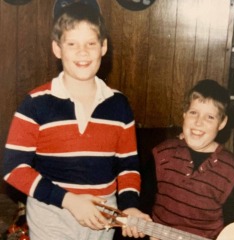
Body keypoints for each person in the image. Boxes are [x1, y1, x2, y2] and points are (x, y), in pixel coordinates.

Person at [2, 2, 150, 240]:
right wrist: (69, 200)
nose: (83, 52)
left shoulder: (119, 105)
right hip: (52, 217)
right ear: (57, 49)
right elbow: (13, 169)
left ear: (103, 47)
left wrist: (130, 205)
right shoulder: (35, 103)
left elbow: (128, 167)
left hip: (103, 217)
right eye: (72, 44)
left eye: (91, 43)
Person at [143, 79, 234, 239]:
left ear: (222, 123)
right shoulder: (162, 154)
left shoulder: (230, 169)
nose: (198, 122)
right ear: (184, 114)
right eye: (193, 112)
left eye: (210, 117)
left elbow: (230, 224)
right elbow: (144, 204)